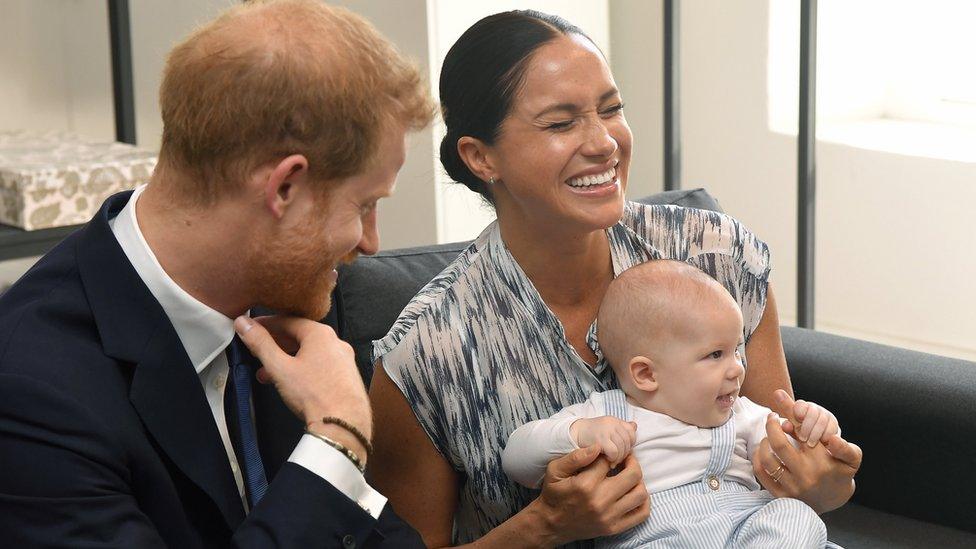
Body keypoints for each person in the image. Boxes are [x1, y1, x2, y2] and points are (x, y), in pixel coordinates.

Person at [367, 10, 862, 548]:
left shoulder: (718, 258)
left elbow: (785, 464)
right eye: (560, 123)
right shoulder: (426, 354)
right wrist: (544, 525)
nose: (604, 142)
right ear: (481, 156)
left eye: (611, 109)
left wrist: (826, 481)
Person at [0, 0, 432, 546]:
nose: (372, 243)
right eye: (365, 205)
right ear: (284, 188)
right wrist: (335, 442)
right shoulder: (31, 392)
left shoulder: (289, 296)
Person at [502, 260, 842, 548]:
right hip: (658, 538)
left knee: (796, 515)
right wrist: (579, 433)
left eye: (736, 350)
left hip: (749, 533)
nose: (738, 367)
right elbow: (516, 458)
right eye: (715, 354)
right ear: (647, 374)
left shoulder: (742, 414)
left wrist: (814, 425)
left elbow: (795, 452)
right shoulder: (605, 415)